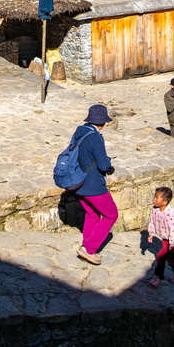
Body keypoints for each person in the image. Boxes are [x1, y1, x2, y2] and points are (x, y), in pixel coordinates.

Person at [74, 104, 118, 265]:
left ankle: (87, 247)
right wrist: (109, 163)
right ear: (102, 123)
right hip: (93, 185)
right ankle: (89, 249)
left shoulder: (80, 132)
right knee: (111, 215)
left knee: (92, 215)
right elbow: (102, 165)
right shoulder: (96, 138)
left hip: (78, 183)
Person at [146, 186, 174, 287]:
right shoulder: (155, 209)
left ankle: (157, 276)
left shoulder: (172, 215)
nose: (154, 199)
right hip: (165, 238)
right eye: (154, 197)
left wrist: (172, 245)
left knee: (161, 257)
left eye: (157, 197)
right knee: (169, 258)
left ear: (165, 202)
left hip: (173, 239)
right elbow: (153, 221)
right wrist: (151, 233)